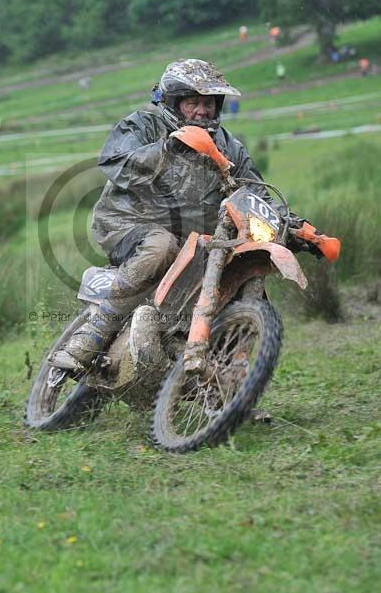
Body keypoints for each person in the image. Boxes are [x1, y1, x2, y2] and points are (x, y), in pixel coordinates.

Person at [50, 59, 295, 374]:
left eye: (208, 103)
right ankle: (91, 337)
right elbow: (114, 161)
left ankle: (232, 391)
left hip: (198, 245)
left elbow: (255, 192)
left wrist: (294, 224)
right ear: (174, 102)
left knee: (243, 273)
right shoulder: (143, 125)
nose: (202, 111)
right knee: (161, 246)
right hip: (127, 225)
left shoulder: (229, 147)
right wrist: (169, 148)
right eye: (193, 102)